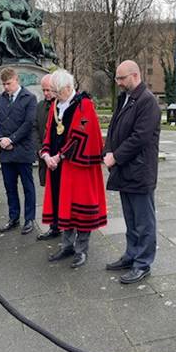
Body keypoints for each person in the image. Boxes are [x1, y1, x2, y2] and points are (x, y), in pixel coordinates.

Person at [42, 69, 106, 268]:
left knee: (80, 209)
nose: (53, 94)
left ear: (68, 87)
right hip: (59, 166)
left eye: (56, 91)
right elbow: (48, 133)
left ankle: (81, 249)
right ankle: (67, 245)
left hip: (78, 167)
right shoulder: (55, 106)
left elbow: (82, 134)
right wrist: (45, 155)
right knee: (64, 207)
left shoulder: (84, 105)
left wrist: (59, 156)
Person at [104, 60, 161, 284]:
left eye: (121, 78)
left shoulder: (147, 102)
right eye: (117, 78)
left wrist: (115, 156)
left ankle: (143, 262)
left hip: (139, 171)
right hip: (125, 170)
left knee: (144, 221)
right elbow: (113, 128)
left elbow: (140, 137)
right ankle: (131, 254)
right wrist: (108, 149)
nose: (118, 82)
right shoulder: (126, 98)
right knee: (130, 218)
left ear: (135, 76)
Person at [0, 68, 37, 235]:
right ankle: (13, 217)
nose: (6, 87)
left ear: (16, 80)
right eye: (3, 84)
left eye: (8, 84)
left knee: (27, 186)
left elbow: (29, 123)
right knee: (9, 187)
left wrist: (11, 139)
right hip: (6, 151)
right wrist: (1, 139)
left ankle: (29, 219)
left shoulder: (29, 98)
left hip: (23, 150)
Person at [35, 74, 61, 241]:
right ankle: (54, 225)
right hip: (45, 157)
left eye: (48, 90)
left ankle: (65, 224)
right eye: (43, 90)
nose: (45, 93)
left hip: (59, 158)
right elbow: (34, 129)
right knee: (51, 194)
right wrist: (41, 151)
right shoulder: (40, 107)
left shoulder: (62, 106)